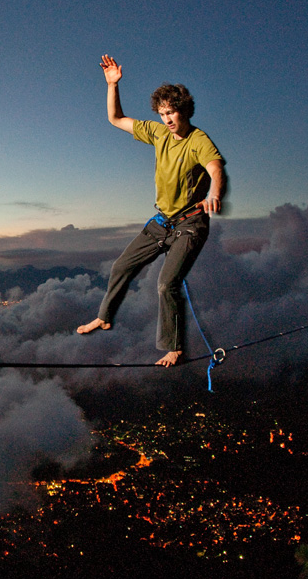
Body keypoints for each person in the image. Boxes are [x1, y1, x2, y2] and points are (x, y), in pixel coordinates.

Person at [77, 55, 226, 367]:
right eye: (162, 114)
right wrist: (112, 85)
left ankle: (174, 346)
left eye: (171, 112)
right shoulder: (158, 133)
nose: (168, 119)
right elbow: (115, 119)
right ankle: (104, 317)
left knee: (166, 284)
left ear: (184, 110)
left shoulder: (198, 140)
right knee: (121, 267)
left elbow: (214, 166)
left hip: (190, 224)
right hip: (162, 222)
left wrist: (214, 192)